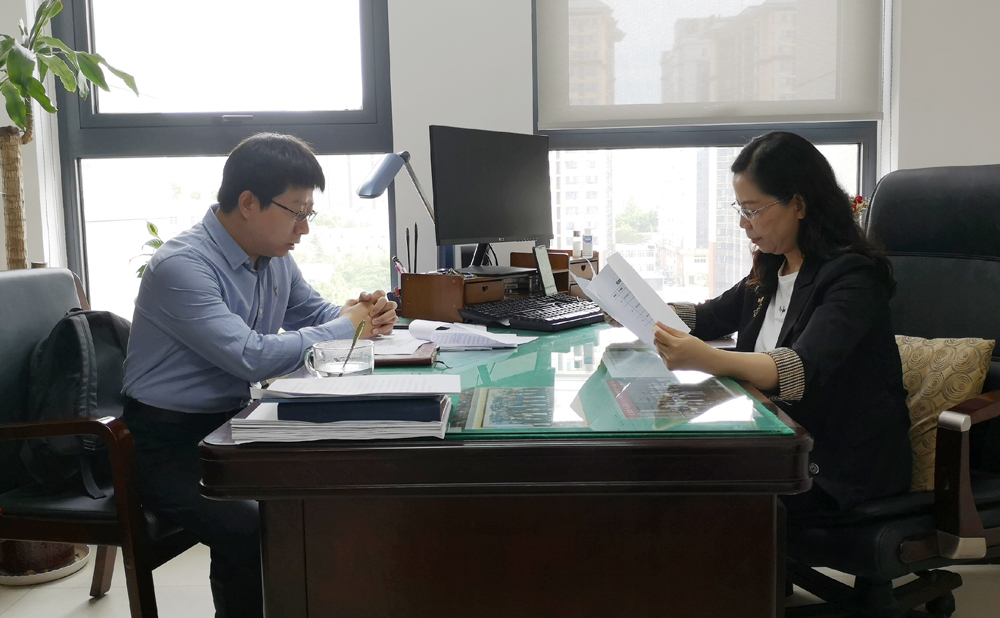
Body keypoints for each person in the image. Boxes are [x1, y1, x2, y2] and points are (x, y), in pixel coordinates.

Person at [120, 132, 397, 617]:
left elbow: (318, 315)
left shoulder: (274, 259)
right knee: (254, 528)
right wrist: (346, 325)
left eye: (309, 213)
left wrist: (368, 314)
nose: (304, 229)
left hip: (232, 427)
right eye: (297, 212)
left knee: (324, 495)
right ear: (248, 203)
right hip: (163, 446)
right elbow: (251, 357)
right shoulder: (181, 268)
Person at [652, 131, 911, 517]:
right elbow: (708, 317)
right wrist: (639, 308)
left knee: (691, 495)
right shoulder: (773, 266)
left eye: (753, 210)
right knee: (667, 469)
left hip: (837, 465)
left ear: (799, 205)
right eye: (740, 210)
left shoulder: (854, 277)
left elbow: (800, 368)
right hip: (773, 444)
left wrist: (707, 359)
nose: (744, 224)